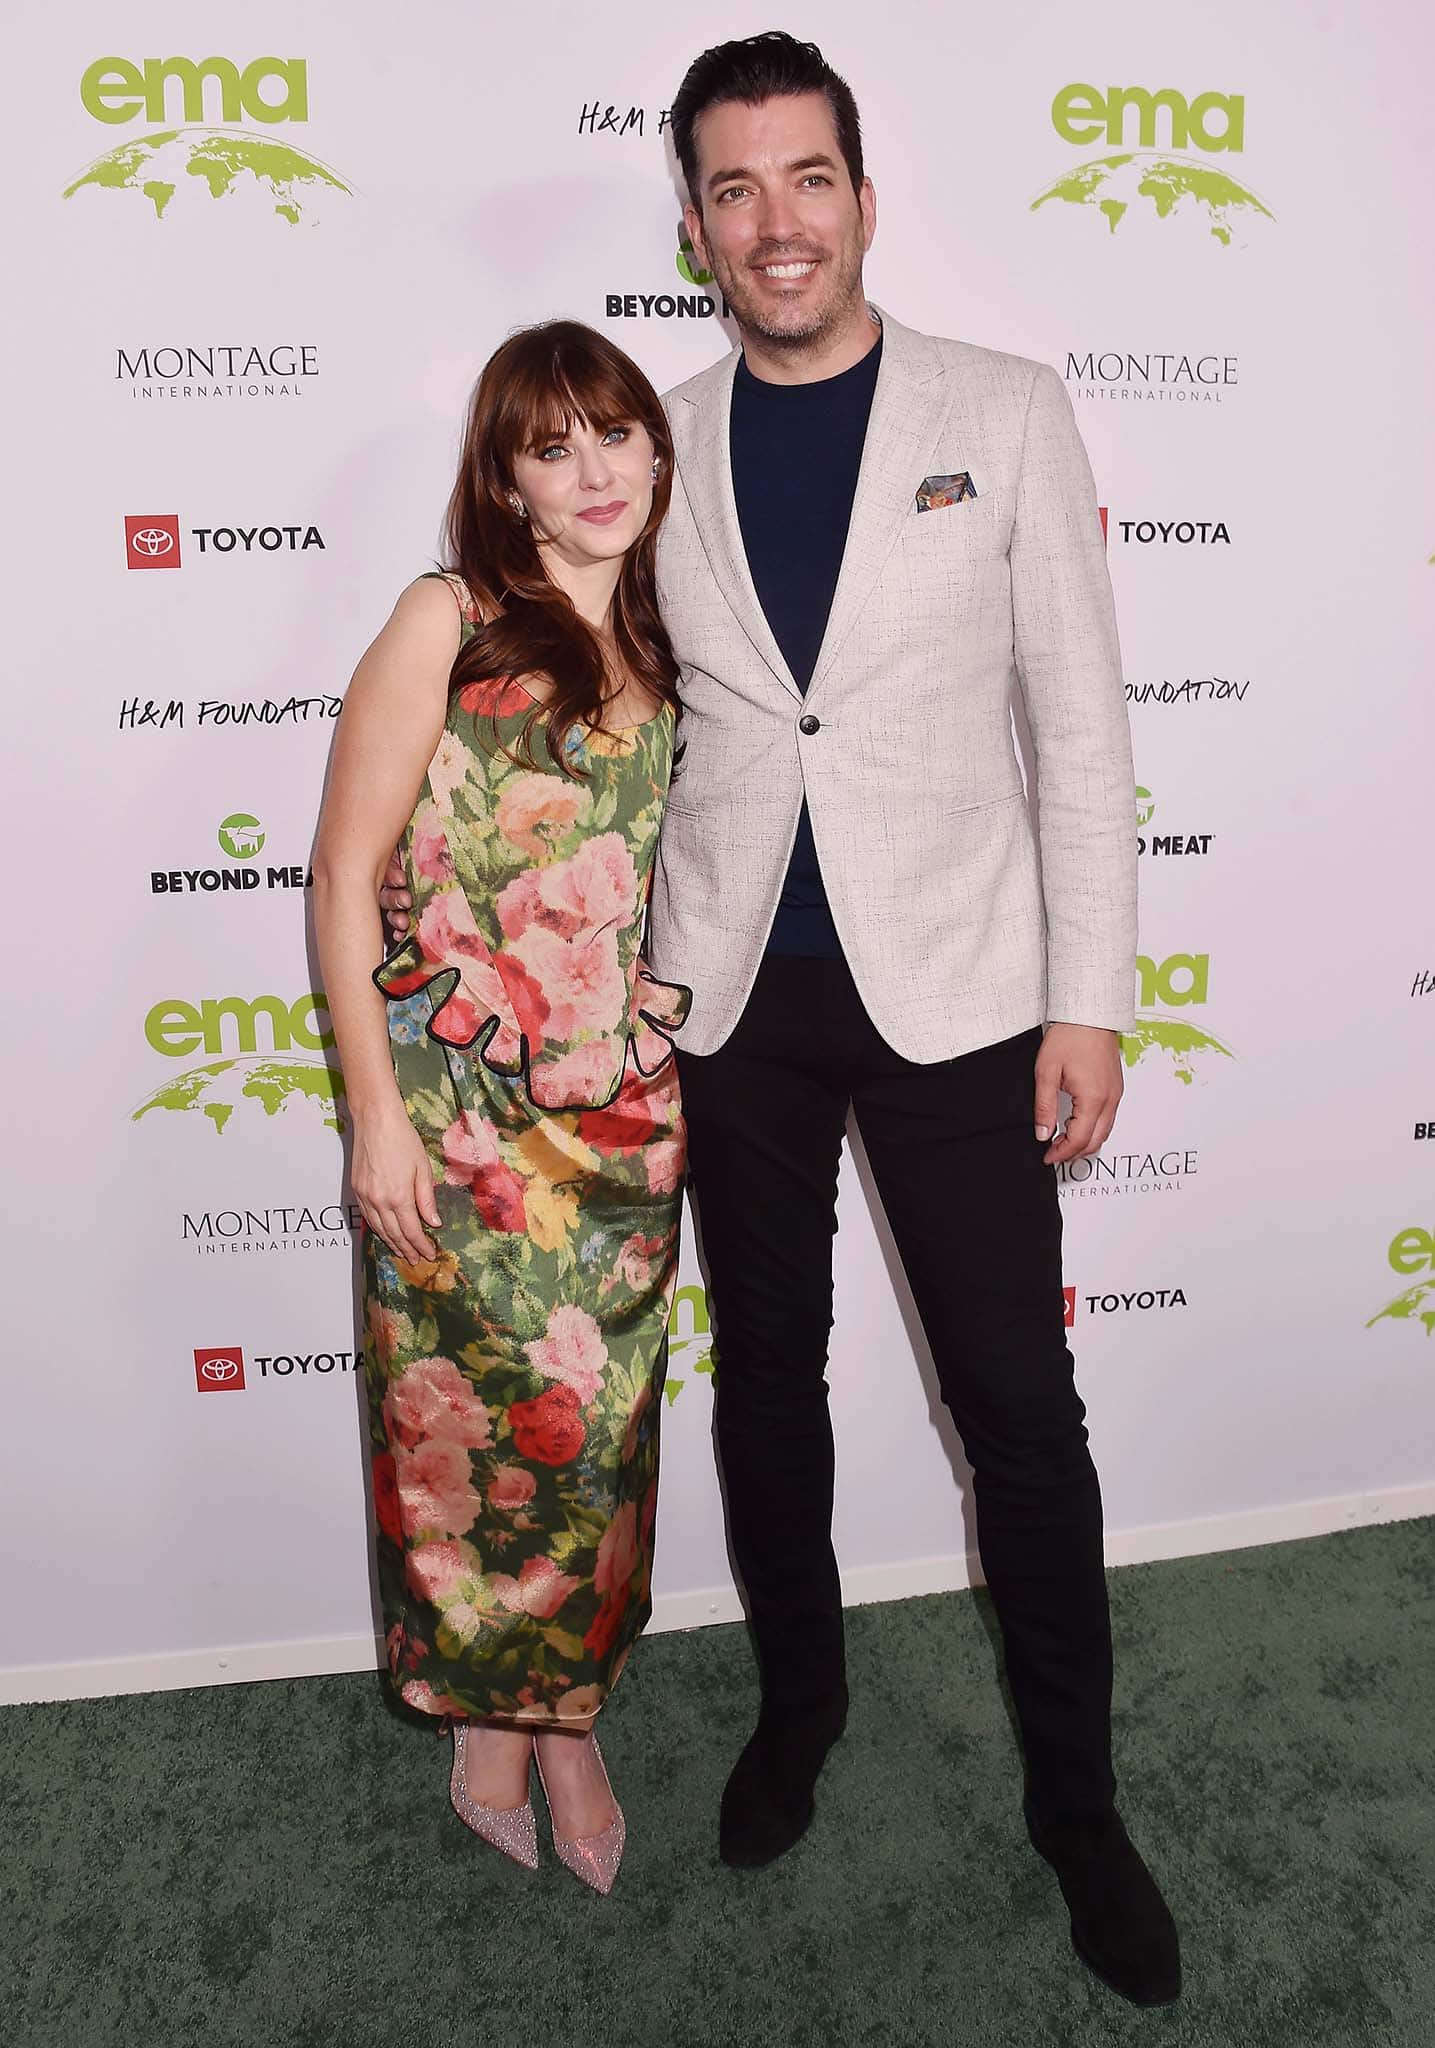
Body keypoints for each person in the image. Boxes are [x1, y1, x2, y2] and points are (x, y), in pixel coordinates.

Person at [385, 32, 1180, 2004]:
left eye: (803, 176)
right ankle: (797, 1710)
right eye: (731, 189)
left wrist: (1092, 997)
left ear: (860, 197)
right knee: (771, 1393)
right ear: (692, 224)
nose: (773, 220)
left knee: (1020, 1413)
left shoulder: (1005, 410)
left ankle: (1078, 1809)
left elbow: (1076, 732)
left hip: (967, 998)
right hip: (723, 1004)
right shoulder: (645, 438)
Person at [314, 321, 689, 1895]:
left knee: (598, 1444)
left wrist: (660, 989)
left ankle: (569, 1711)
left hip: (622, 1124)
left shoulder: (681, 631)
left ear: (656, 450)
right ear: (509, 477)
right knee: (463, 1423)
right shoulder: (446, 617)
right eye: (554, 446)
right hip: (457, 1119)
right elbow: (344, 872)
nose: (595, 471)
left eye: (615, 433)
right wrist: (372, 1121)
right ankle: (491, 1715)